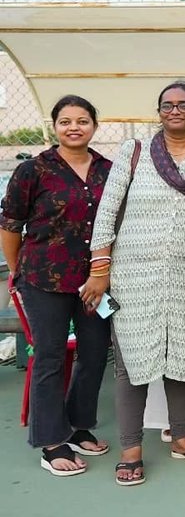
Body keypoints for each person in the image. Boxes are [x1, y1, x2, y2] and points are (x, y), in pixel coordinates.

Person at [82, 81, 185, 486]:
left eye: (183, 105)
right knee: (131, 363)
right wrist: (100, 270)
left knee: (181, 359)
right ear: (159, 112)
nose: (174, 111)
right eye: (167, 105)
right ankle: (131, 448)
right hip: (132, 276)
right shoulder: (133, 152)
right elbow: (107, 211)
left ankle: (182, 437)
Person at [1, 95, 112, 476]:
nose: (74, 127)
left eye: (82, 120)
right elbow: (10, 224)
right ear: (55, 126)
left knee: (95, 352)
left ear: (94, 125)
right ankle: (51, 441)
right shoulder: (33, 170)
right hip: (44, 279)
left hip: (95, 280)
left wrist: (103, 272)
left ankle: (79, 426)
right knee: (49, 356)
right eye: (66, 121)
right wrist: (18, 271)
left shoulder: (107, 170)